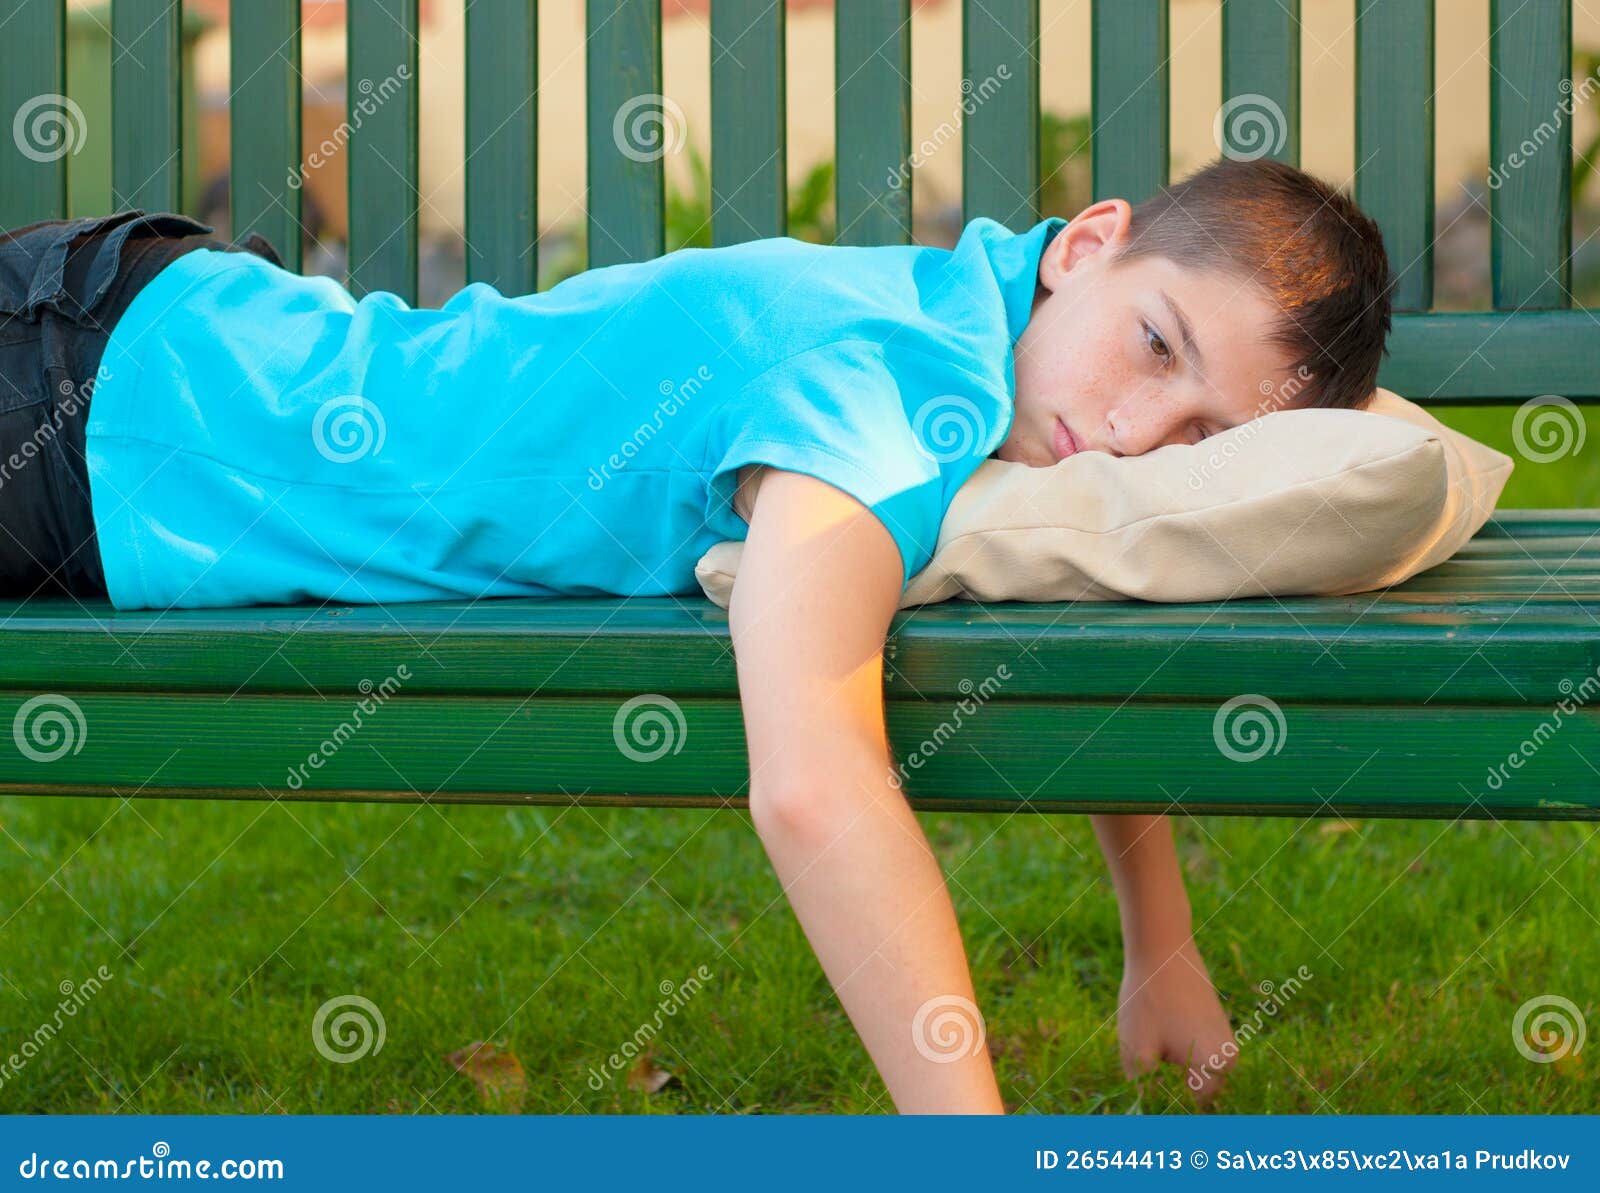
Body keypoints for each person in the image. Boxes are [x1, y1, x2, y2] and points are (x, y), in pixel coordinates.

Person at [0, 156, 1392, 1113]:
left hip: (156, 361)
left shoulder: (987, 328)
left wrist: (1163, 944)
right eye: (1156, 345)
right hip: (102, 404)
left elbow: (1079, 565)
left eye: (1203, 436)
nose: (1139, 433)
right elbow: (813, 782)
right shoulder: (891, 385)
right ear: (1086, 245)